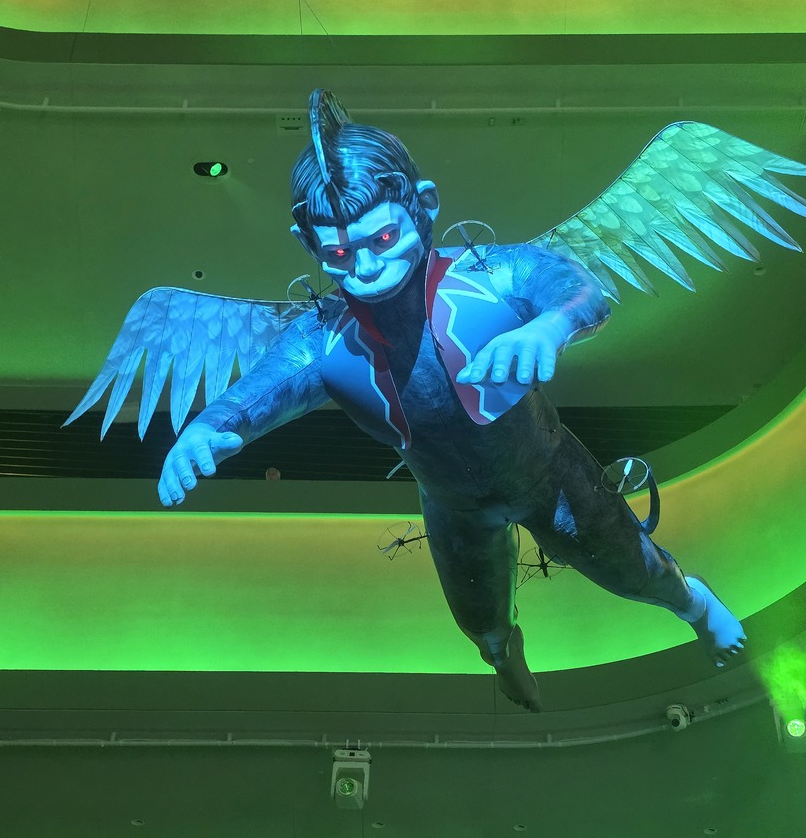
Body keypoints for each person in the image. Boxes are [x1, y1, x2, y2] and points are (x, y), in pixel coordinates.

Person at [151, 91, 747, 711]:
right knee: (480, 621)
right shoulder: (321, 338)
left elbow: (578, 290)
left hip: (551, 475)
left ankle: (695, 605)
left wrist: (547, 328)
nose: (366, 267)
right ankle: (502, 651)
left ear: (425, 204)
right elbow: (260, 390)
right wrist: (209, 427)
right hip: (454, 505)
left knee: (636, 573)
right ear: (308, 242)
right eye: (339, 254)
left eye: (384, 236)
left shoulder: (493, 274)